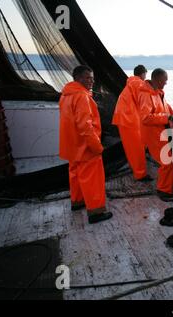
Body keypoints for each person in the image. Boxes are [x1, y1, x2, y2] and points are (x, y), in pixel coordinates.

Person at [59, 65, 113, 224]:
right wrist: (97, 146)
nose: (91, 81)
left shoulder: (65, 95)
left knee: (75, 173)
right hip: (85, 146)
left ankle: (77, 202)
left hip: (71, 145)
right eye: (88, 78)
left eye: (92, 78)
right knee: (92, 178)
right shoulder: (82, 96)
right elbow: (85, 126)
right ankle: (96, 212)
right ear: (78, 78)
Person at [139, 68, 173, 202]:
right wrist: (166, 117)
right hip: (153, 134)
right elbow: (145, 118)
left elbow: (164, 106)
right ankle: (163, 191)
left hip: (161, 132)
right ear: (157, 80)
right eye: (164, 80)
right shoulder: (146, 95)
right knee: (166, 161)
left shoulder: (158, 92)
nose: (166, 83)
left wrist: (172, 113)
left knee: (170, 159)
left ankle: (171, 183)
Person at [112, 65, 152, 181]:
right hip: (129, 119)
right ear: (143, 74)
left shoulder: (131, 83)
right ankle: (141, 175)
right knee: (137, 148)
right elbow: (144, 103)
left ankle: (137, 170)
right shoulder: (139, 83)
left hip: (123, 118)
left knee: (132, 147)